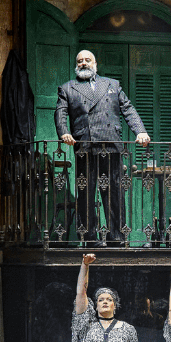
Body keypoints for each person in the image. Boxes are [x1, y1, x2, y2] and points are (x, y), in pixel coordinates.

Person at [55, 50, 150, 246]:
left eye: (87, 60)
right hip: (85, 145)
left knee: (114, 192)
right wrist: (64, 132)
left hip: (111, 144)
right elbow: (60, 113)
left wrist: (140, 131)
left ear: (95, 63)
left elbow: (128, 109)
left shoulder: (112, 85)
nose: (83, 63)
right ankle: (90, 239)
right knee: (86, 194)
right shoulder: (67, 88)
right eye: (79, 61)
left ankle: (117, 237)